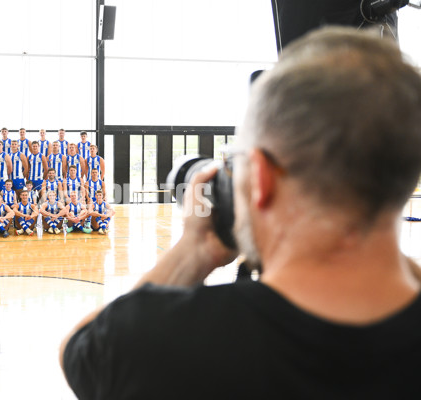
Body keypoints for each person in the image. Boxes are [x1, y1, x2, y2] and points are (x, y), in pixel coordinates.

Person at [60, 28, 421, 398]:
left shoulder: (159, 344)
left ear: (261, 179)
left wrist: (195, 250)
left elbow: (81, 352)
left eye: (237, 163)